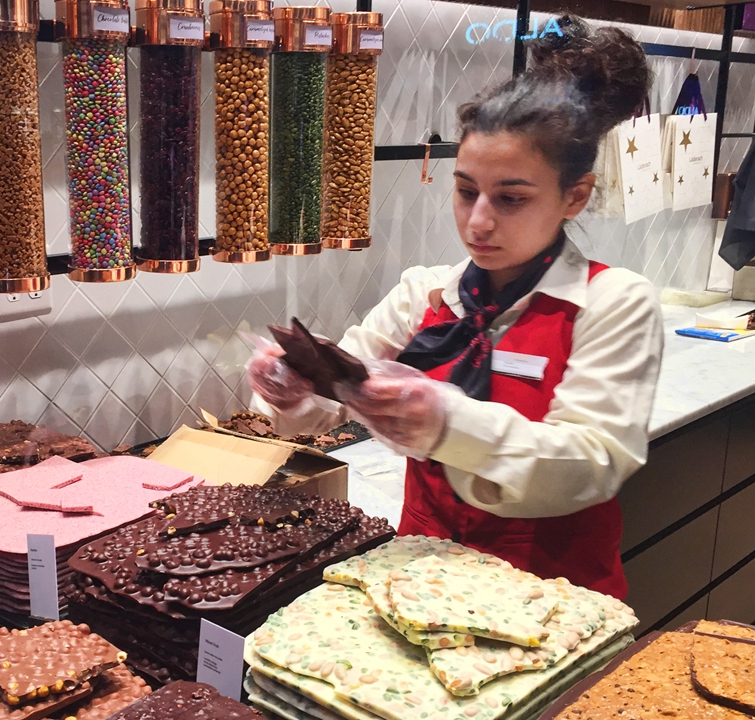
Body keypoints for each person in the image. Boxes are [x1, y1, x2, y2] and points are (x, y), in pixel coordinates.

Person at [247, 16, 663, 599]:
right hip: (420, 575)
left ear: (576, 195)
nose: (479, 221)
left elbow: (591, 464)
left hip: (552, 593)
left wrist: (451, 423)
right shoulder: (427, 294)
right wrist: (288, 389)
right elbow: (330, 406)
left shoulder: (613, 304)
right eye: (466, 190)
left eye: (511, 198)